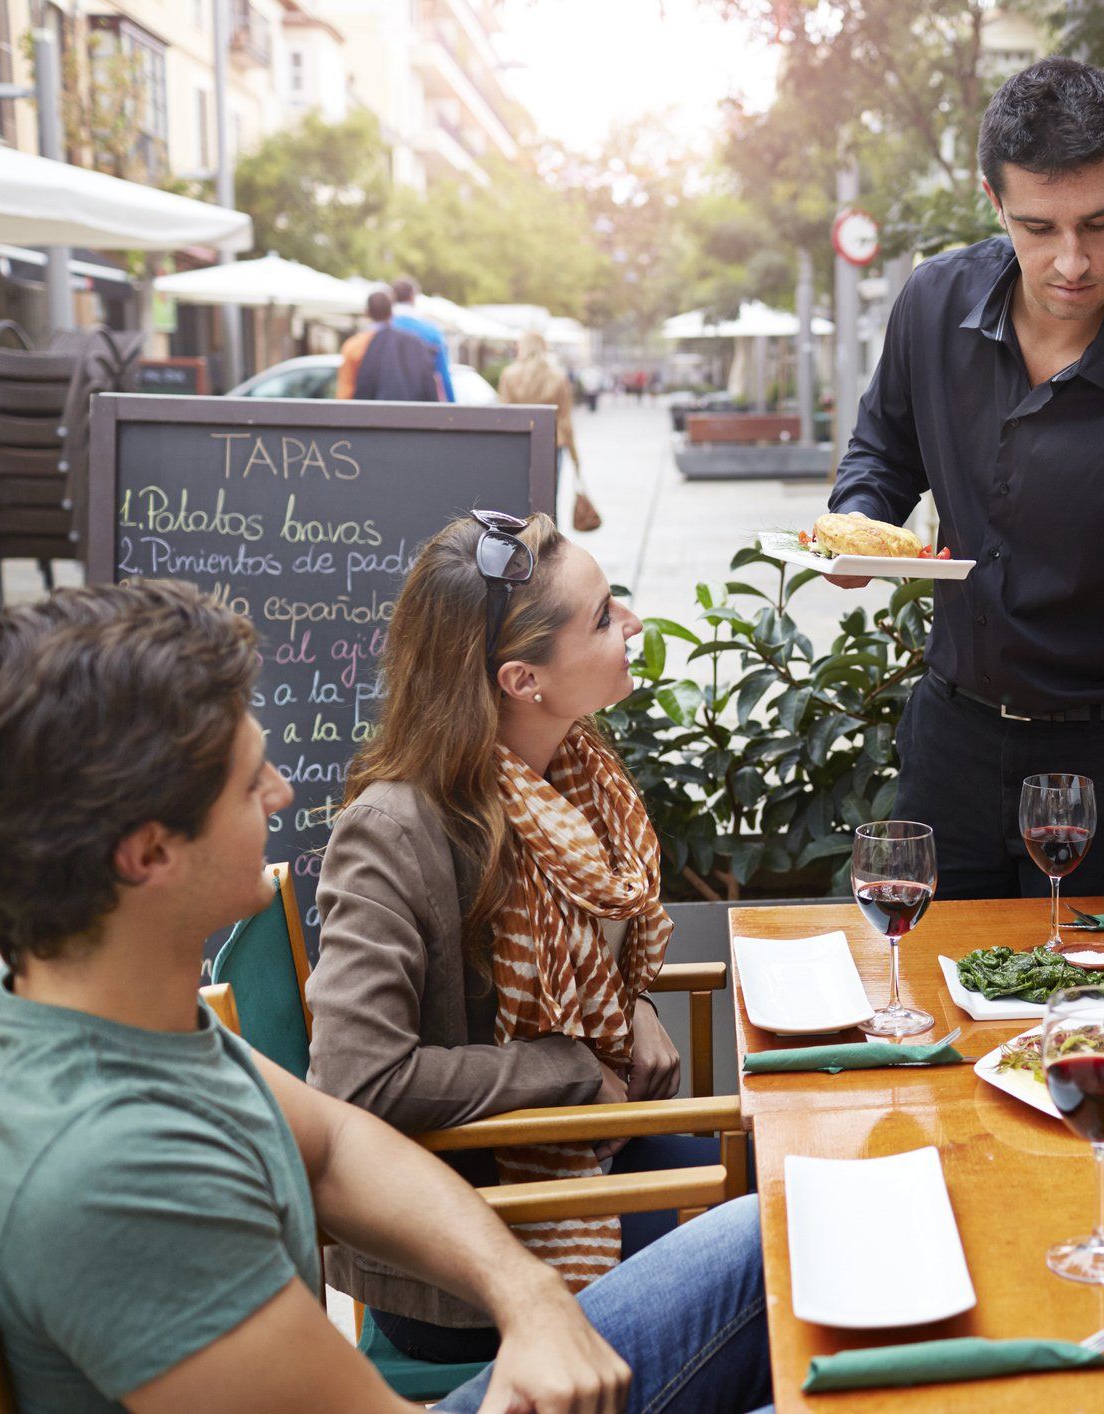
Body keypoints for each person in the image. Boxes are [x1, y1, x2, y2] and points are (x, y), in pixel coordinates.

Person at [0, 580, 771, 1413]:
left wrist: (528, 1293)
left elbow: (334, 1143)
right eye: (245, 784)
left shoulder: (86, 1017)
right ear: (148, 854)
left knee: (772, 1235)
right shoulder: (114, 1174)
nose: (281, 792)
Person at [828, 56, 1104, 1016]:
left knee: (1093, 1034)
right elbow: (883, 449)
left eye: (1100, 224)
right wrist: (861, 523)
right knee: (920, 1009)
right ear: (993, 201)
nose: (1072, 261)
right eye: (1038, 228)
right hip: (950, 739)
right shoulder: (932, 305)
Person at [309, 510, 720, 1368]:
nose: (632, 626)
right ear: (522, 680)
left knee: (779, 1204)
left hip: (575, 1154)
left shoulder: (570, 776)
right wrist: (569, 1070)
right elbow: (357, 1082)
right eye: (605, 617)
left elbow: (588, 970)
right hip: (466, 1243)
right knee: (768, 1259)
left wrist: (635, 1003)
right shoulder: (392, 833)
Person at [499, 331, 582, 495]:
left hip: (519, 443)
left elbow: (504, 416)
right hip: (552, 443)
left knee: (519, 497)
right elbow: (565, 419)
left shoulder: (509, 375)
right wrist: (575, 457)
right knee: (548, 498)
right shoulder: (558, 377)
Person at [391, 275, 456, 403]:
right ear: (413, 296)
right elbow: (443, 375)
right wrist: (452, 406)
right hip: (421, 405)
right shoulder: (431, 332)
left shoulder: (378, 332)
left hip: (383, 405)